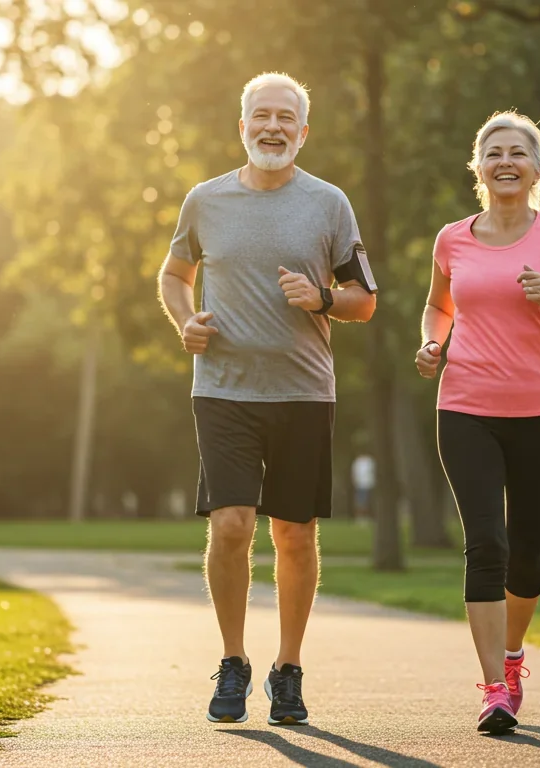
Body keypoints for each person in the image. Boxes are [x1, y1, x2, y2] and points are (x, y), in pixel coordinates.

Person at [156, 72, 378, 726]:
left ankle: (287, 667)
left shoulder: (329, 204)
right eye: (262, 116)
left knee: (295, 534)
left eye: (286, 118)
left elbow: (366, 300)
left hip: (304, 393)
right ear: (243, 125)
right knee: (230, 525)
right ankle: (233, 660)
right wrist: (184, 321)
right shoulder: (205, 200)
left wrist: (324, 300)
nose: (273, 127)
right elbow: (174, 275)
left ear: (302, 132)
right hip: (223, 391)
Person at [414, 111, 540, 733]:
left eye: (517, 153)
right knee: (487, 545)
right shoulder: (453, 238)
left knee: (527, 554)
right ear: (477, 166)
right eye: (493, 152)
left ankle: (514, 654)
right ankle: (495, 688)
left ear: (535, 168)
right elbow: (436, 307)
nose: (505, 161)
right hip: (465, 407)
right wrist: (431, 344)